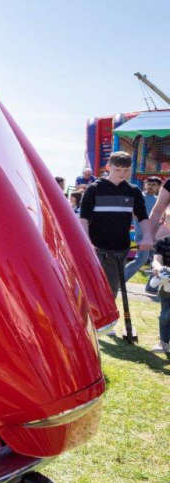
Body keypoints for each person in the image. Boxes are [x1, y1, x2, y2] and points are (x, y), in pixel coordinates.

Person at [79, 151, 152, 298]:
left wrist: (147, 236)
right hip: (96, 248)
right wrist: (87, 242)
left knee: (110, 292)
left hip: (120, 249)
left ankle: (108, 313)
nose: (122, 174)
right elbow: (84, 219)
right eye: (118, 169)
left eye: (126, 170)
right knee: (89, 291)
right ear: (108, 167)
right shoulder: (94, 189)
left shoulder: (133, 191)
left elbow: (142, 217)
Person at [147, 233, 170, 356]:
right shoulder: (162, 243)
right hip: (166, 283)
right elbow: (156, 260)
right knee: (165, 315)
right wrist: (158, 268)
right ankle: (163, 343)